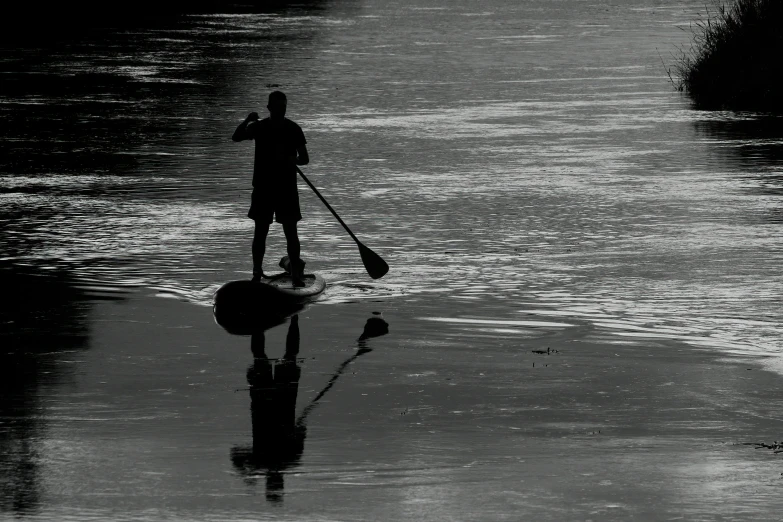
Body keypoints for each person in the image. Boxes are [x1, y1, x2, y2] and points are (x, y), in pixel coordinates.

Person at [232, 91, 310, 287]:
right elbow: (236, 137)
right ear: (269, 108)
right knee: (260, 231)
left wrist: (294, 160)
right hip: (263, 188)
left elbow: (305, 158)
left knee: (291, 231)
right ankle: (257, 272)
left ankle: (295, 275)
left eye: (283, 107)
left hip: (286, 189)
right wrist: (247, 120)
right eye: (277, 107)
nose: (280, 111)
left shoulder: (293, 129)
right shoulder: (259, 127)